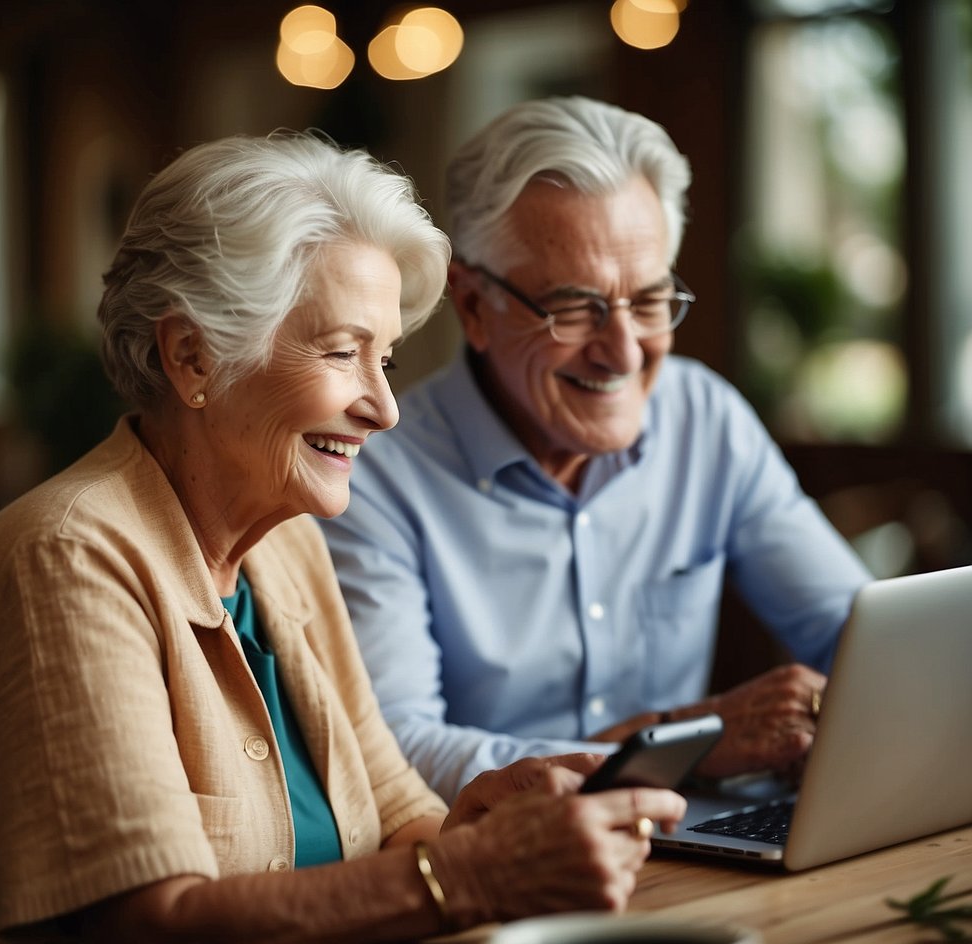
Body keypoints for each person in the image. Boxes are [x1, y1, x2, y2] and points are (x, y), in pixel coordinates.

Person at [0, 132, 687, 944]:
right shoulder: (68, 555)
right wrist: (473, 874)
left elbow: (398, 817)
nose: (384, 406)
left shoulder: (285, 542)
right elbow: (152, 936)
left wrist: (489, 825)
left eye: (386, 359)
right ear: (192, 359)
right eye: (343, 353)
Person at [320, 95, 873, 804]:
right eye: (576, 308)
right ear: (472, 305)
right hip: (498, 869)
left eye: (649, 302)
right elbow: (398, 749)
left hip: (694, 840)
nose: (623, 352)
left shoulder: (703, 418)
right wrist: (685, 741)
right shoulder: (374, 475)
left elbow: (860, 641)